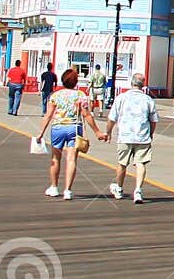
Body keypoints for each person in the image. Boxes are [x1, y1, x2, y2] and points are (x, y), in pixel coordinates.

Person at [35, 68, 96, 200]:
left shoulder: (56, 95)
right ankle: (68, 190)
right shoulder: (81, 95)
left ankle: (54, 187)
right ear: (76, 82)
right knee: (71, 159)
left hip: (58, 127)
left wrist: (41, 133)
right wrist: (97, 131)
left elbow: (48, 115)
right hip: (74, 128)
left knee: (56, 158)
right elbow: (86, 115)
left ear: (63, 80)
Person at [103, 72, 157, 204]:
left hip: (125, 135)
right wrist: (150, 134)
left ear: (131, 83)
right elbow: (153, 120)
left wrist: (108, 132)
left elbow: (112, 118)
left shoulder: (121, 98)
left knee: (122, 163)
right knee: (141, 163)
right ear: (143, 85)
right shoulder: (148, 100)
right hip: (142, 136)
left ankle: (119, 188)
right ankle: (138, 190)